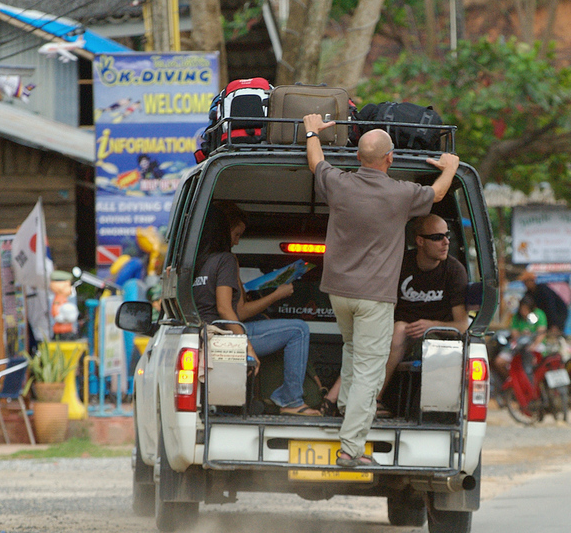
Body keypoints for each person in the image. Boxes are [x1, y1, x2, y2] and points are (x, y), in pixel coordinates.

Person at [304, 113, 459, 467]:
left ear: (359, 157)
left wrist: (311, 129)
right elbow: (437, 192)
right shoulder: (401, 194)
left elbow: (316, 161)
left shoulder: (339, 184)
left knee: (352, 347)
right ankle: (351, 449)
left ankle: (344, 407)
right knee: (370, 370)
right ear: (389, 159)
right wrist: (449, 165)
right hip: (374, 298)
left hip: (338, 292)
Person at [322, 213, 470, 416]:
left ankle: (373, 399)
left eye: (447, 235)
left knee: (398, 330)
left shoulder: (454, 271)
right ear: (420, 241)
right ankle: (332, 400)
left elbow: (462, 325)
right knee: (375, 335)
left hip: (431, 337)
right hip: (393, 332)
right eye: (437, 237)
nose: (445, 242)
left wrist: (431, 325)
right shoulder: (400, 265)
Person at [191, 204, 321, 416]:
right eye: (236, 234)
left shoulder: (197, 263)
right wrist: (247, 346)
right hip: (225, 336)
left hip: (205, 335)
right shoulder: (226, 260)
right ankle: (290, 399)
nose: (237, 241)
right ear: (223, 231)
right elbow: (226, 309)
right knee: (298, 329)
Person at [518, 270, 569, 336]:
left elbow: (551, 306)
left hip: (558, 314)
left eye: (526, 282)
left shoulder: (543, 290)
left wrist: (554, 324)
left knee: (555, 333)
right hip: (545, 316)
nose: (525, 284)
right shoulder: (529, 293)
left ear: (532, 281)